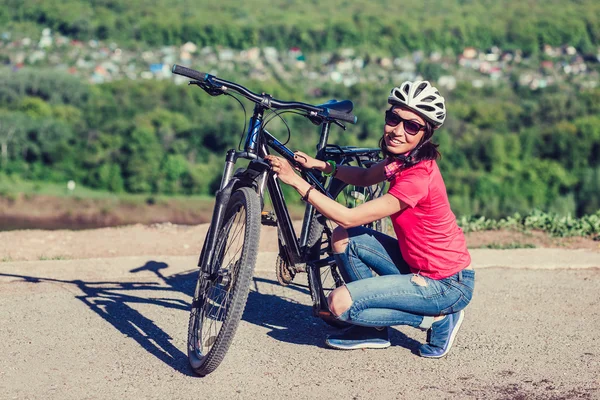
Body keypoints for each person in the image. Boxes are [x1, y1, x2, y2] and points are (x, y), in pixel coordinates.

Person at [265, 80, 474, 358]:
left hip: (446, 284)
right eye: (393, 118)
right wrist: (323, 166)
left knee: (339, 304)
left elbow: (349, 216)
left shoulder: (417, 178)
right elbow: (364, 177)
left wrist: (296, 181)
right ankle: (371, 330)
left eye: (412, 126)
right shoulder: (403, 160)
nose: (397, 130)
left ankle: (436, 320)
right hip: (417, 265)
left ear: (426, 133)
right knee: (342, 238)